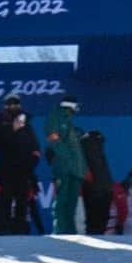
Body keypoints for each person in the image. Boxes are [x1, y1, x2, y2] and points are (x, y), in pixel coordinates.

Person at [0, 92, 41, 234]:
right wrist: (12, 128)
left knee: (22, 206)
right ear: (5, 106)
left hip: (24, 172)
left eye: (16, 104)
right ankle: (1, 235)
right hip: (5, 172)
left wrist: (31, 162)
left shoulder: (27, 126)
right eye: (10, 104)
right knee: (2, 205)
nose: (14, 107)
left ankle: (22, 234)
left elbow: (35, 148)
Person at [44, 97, 86, 234]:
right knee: (62, 201)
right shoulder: (56, 117)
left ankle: (69, 231)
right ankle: (61, 230)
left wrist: (82, 168)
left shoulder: (69, 122)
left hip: (74, 170)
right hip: (63, 168)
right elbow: (52, 137)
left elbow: (75, 149)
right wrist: (66, 157)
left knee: (71, 203)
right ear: (70, 106)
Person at [80, 129, 113, 235]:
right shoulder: (96, 151)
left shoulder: (83, 151)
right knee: (99, 223)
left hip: (93, 192)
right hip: (103, 191)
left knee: (93, 223)